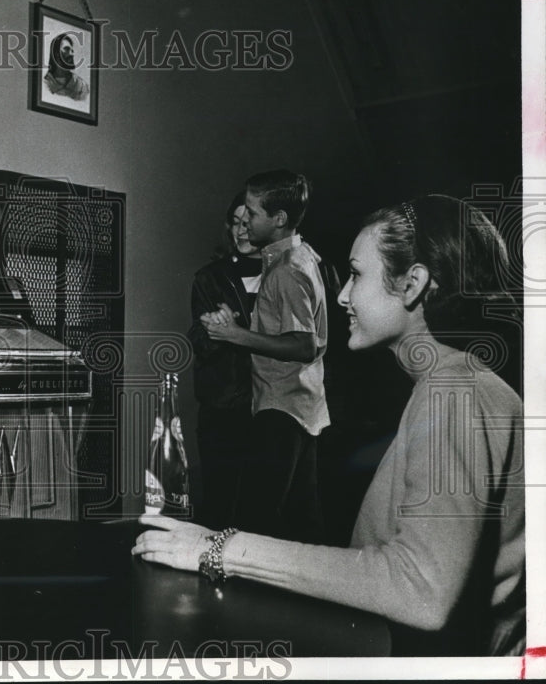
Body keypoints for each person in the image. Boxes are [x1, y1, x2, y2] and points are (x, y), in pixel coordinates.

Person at [134, 194, 525, 656]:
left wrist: (220, 549)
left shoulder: (457, 395)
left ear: (413, 284)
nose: (341, 295)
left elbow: (421, 591)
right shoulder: (451, 383)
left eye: (357, 275)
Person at [200, 170, 328, 542]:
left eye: (253, 214)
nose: (245, 223)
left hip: (281, 407)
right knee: (303, 517)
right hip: (301, 404)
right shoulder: (299, 256)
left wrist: (235, 334)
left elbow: (304, 344)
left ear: (279, 220)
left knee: (255, 521)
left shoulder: (287, 270)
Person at [188, 191, 262, 528]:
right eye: (235, 222)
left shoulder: (287, 273)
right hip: (223, 411)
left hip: (273, 410)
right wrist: (215, 329)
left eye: (249, 223)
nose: (241, 231)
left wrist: (236, 325)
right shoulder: (210, 277)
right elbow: (200, 343)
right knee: (220, 511)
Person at [43, 32, 89, 101]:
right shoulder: (45, 85)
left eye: (72, 50)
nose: (71, 54)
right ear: (56, 53)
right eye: (67, 49)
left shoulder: (82, 87)